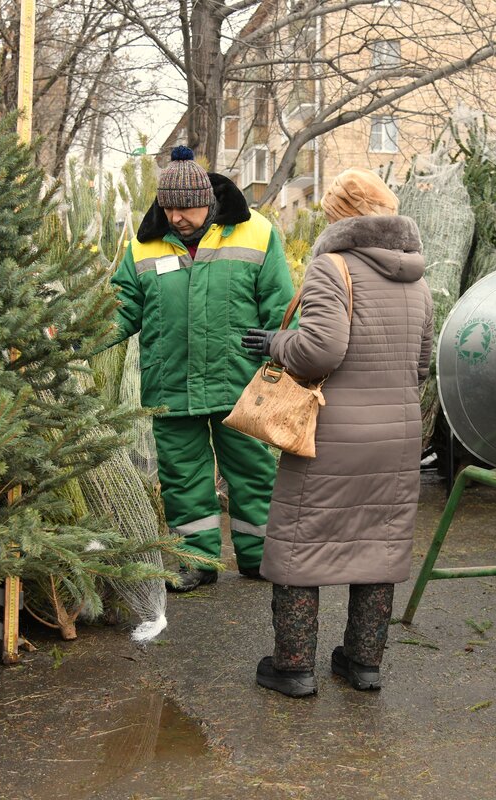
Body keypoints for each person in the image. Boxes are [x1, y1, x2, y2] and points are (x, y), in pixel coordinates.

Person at [241, 167, 434, 696]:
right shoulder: (416, 278)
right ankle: (363, 663)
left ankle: (294, 666)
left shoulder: (333, 267)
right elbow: (422, 366)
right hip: (396, 437)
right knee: (379, 544)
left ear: (341, 215)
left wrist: (276, 343)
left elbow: (320, 350)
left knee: (301, 543)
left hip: (332, 433)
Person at [110, 146, 295, 592]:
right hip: (170, 386)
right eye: (168, 208)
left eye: (185, 208)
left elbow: (281, 306)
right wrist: (71, 336)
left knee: (253, 472)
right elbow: (119, 310)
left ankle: (260, 557)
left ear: (208, 199)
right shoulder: (143, 246)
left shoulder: (257, 234)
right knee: (182, 477)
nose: (175, 217)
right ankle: (197, 561)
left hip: (242, 384)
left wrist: (287, 355)